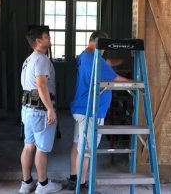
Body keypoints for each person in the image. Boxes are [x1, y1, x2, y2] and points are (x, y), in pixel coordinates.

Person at [67, 31, 130, 192]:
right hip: (90, 112)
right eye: (104, 47)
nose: (104, 51)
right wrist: (138, 84)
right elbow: (115, 79)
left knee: (77, 144)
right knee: (86, 150)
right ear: (97, 43)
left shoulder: (85, 56)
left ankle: (74, 179)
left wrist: (126, 57)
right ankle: (81, 186)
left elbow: (107, 62)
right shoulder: (94, 58)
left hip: (80, 108)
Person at [19, 26, 62, 194]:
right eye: (47, 36)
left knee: (29, 146)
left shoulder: (29, 59)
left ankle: (26, 183)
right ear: (38, 41)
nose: (50, 38)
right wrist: (50, 109)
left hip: (27, 109)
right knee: (42, 149)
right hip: (40, 110)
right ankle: (43, 185)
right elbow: (41, 85)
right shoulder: (42, 59)